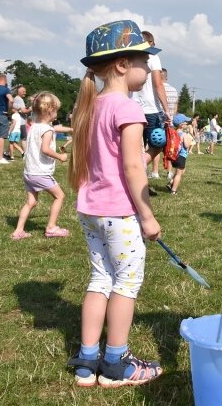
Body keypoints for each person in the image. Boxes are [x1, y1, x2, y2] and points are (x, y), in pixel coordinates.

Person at [66, 20, 163, 387]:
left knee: (99, 278)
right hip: (119, 213)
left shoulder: (89, 107)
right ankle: (116, 362)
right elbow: (134, 166)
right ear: (122, 64)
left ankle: (87, 361)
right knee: (126, 283)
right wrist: (148, 216)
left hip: (88, 210)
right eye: (144, 59)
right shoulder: (127, 108)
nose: (149, 66)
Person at [11, 92, 70, 240]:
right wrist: (60, 157)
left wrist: (71, 129)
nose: (57, 113)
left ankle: (18, 231)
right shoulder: (48, 130)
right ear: (50, 110)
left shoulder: (35, 126)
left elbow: (55, 129)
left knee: (31, 202)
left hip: (29, 173)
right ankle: (51, 228)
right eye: (56, 110)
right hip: (40, 173)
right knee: (60, 196)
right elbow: (45, 149)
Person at [131, 30, 171, 180]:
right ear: (150, 43)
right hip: (150, 108)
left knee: (133, 147)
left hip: (131, 107)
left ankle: (136, 175)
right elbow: (158, 84)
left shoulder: (130, 56)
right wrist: (167, 109)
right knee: (157, 143)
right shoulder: (153, 57)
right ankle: (137, 171)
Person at [166, 114, 194, 195]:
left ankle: (171, 182)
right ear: (181, 125)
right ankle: (173, 190)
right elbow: (187, 145)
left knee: (182, 170)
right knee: (179, 174)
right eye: (186, 123)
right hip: (181, 156)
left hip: (174, 156)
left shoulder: (173, 133)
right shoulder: (184, 134)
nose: (187, 124)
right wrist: (189, 137)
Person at [12, 85, 30, 153]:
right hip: (21, 122)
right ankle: (25, 154)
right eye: (23, 91)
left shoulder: (15, 99)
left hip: (17, 122)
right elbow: (24, 111)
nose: (25, 93)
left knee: (13, 140)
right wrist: (30, 109)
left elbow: (14, 109)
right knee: (24, 139)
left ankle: (7, 152)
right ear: (19, 92)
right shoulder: (20, 99)